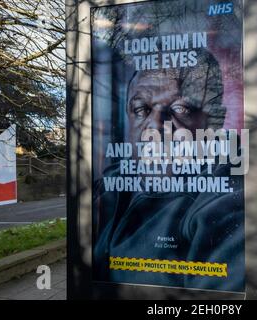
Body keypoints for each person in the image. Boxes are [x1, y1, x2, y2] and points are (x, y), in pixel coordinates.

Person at [93, 48, 245, 292]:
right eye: (141, 109)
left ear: (215, 121)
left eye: (180, 109)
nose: (154, 125)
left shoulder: (225, 200)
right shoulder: (111, 183)